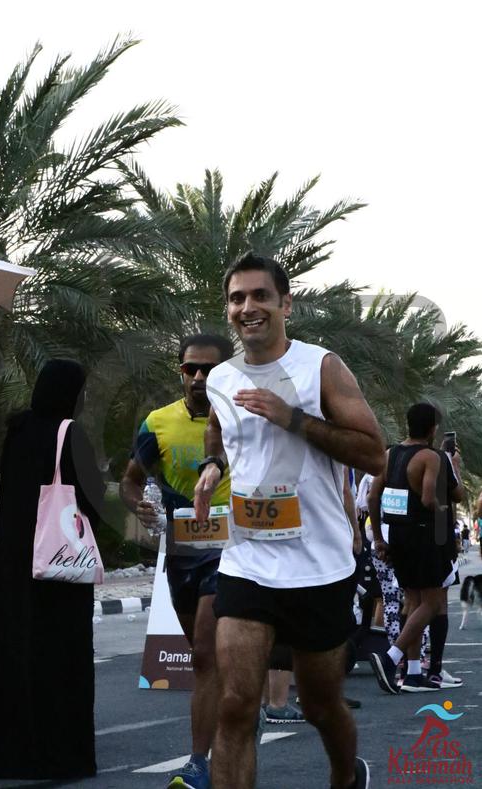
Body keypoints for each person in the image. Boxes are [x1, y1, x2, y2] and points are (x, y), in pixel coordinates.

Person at [194, 252, 384, 789]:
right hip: (248, 559)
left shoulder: (320, 367)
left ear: (285, 303)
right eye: (236, 298)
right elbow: (218, 427)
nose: (247, 307)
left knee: (321, 705)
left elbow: (374, 454)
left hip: (318, 566)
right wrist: (213, 464)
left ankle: (346, 775)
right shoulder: (222, 378)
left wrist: (293, 418)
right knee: (236, 704)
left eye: (260, 295)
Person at [0, 360, 105, 779]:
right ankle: (59, 754)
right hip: (58, 569)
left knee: (13, 653)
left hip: (12, 566)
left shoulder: (17, 431)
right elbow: (92, 502)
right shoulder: (71, 433)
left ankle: (6, 756)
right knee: (59, 659)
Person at [120, 333, 233, 789]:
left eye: (209, 369)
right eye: (191, 369)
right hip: (183, 551)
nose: (199, 377)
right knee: (203, 656)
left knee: (204, 653)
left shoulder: (243, 420)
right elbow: (130, 480)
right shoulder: (158, 422)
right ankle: (238, 710)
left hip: (231, 550)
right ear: (181, 372)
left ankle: (199, 762)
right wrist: (140, 507)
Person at [368, 403, 464, 694]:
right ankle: (391, 657)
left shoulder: (390, 455)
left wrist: (379, 538)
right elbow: (429, 497)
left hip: (398, 535)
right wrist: (444, 505)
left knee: (411, 601)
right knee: (432, 603)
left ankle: (411, 674)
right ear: (433, 429)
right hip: (425, 536)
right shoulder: (431, 457)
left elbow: (373, 496)